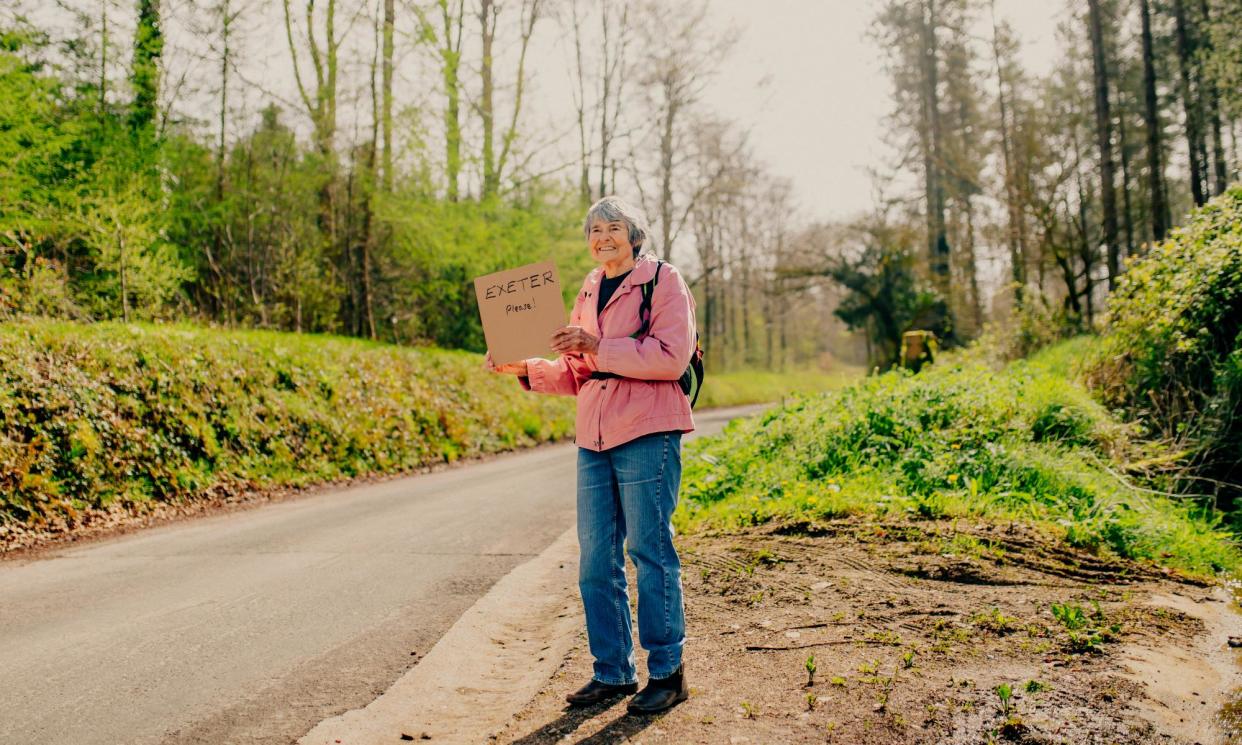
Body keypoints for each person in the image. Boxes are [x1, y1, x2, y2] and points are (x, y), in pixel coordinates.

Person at [485, 195, 696, 714]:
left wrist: (596, 344)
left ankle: (667, 673)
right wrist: (523, 368)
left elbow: (672, 359)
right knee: (595, 561)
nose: (603, 238)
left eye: (614, 227)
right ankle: (613, 673)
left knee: (650, 552)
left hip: (649, 430)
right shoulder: (587, 285)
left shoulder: (662, 280)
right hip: (594, 436)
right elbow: (579, 372)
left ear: (635, 233)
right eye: (594, 230)